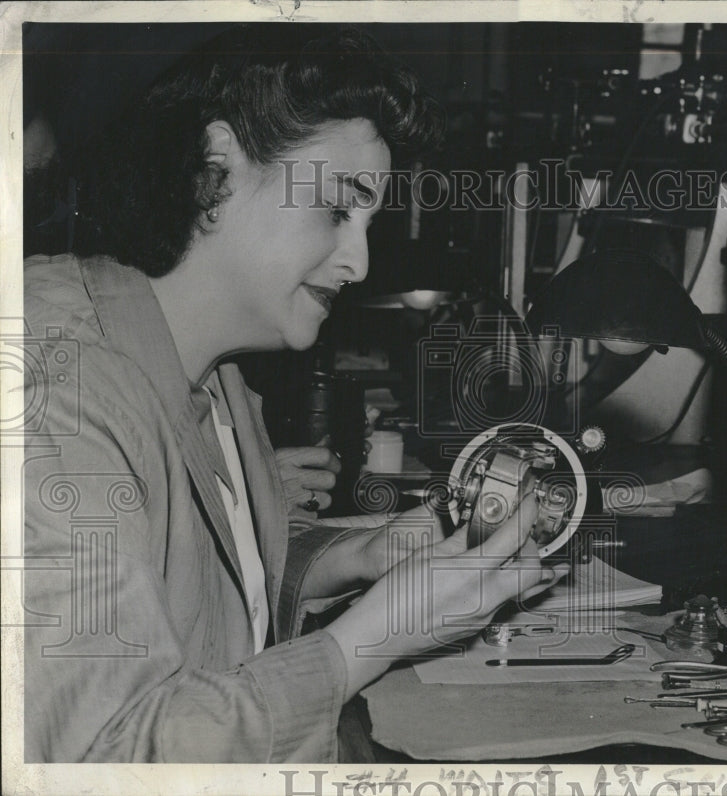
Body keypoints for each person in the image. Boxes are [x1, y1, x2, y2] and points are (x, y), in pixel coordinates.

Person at [21, 25, 560, 763]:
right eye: (339, 210)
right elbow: (109, 758)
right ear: (217, 171)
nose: (361, 261)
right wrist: (370, 637)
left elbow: (199, 587)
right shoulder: (54, 390)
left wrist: (355, 557)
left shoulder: (218, 375)